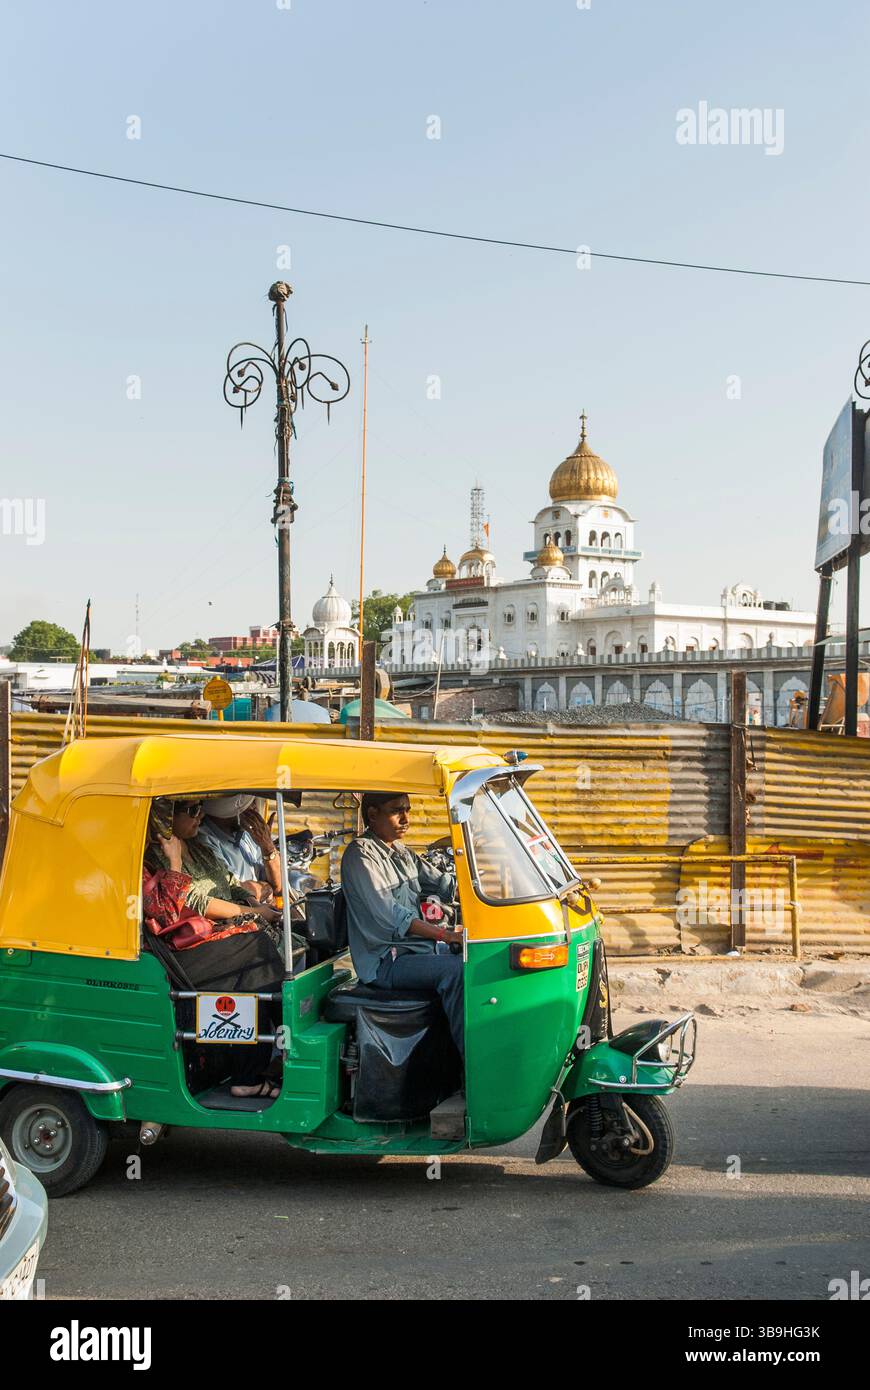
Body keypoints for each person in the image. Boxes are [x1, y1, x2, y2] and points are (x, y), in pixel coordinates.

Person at [142, 798, 286, 1099]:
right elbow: (172, 911)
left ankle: (255, 1072)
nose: (201, 816)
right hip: (177, 954)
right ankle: (287, 1056)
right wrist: (175, 863)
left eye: (200, 809)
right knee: (257, 949)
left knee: (272, 954)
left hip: (213, 941)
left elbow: (229, 883)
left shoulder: (198, 847)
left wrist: (258, 907)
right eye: (191, 811)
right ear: (166, 819)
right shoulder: (152, 857)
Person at [340, 791, 464, 1057]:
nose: (406, 818)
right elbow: (392, 916)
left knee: (475, 959)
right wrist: (446, 935)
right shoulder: (361, 855)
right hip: (387, 961)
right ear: (372, 814)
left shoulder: (402, 852)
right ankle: (472, 1068)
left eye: (407, 810)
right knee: (457, 971)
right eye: (397, 811)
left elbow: (445, 885)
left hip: (416, 951)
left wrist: (492, 883)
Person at [197, 794, 282, 903]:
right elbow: (233, 890)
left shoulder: (248, 835)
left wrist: (268, 847)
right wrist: (266, 887)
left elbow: (279, 887)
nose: (254, 808)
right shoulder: (205, 840)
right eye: (248, 803)